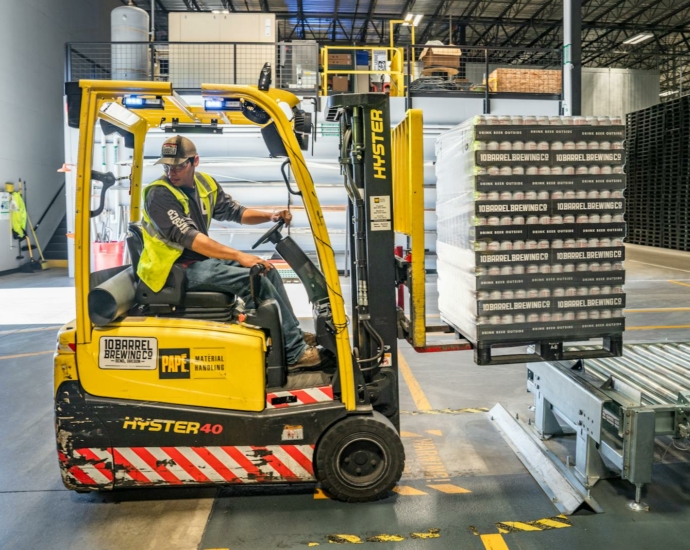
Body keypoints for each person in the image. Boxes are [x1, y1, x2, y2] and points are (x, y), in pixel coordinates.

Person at [137, 135, 321, 370]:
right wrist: (238, 256)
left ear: (195, 162)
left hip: (196, 262)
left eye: (179, 166)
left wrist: (269, 216)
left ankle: (290, 335)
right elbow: (190, 238)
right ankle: (294, 353)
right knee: (254, 280)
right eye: (167, 166)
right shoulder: (159, 195)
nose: (172, 172)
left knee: (267, 271)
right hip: (172, 271)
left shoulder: (205, 184)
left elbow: (236, 212)